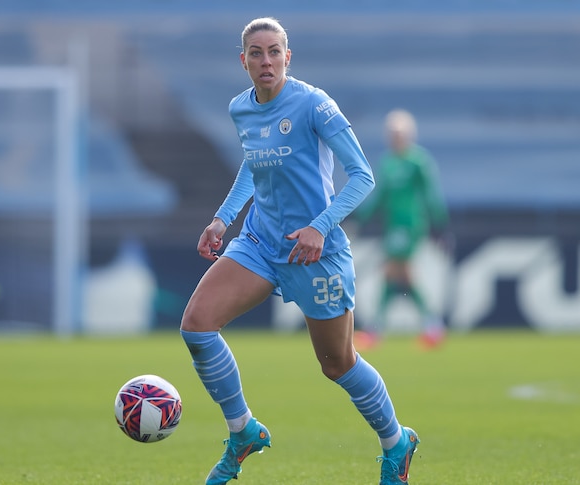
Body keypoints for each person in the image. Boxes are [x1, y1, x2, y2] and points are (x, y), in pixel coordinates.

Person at [179, 17, 419, 485]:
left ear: (288, 58)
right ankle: (242, 430)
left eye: (274, 52)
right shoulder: (240, 109)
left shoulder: (314, 105)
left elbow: (363, 176)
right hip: (261, 241)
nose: (265, 61)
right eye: (256, 53)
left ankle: (396, 442)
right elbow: (253, 164)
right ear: (243, 60)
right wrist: (222, 219)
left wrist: (319, 226)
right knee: (197, 325)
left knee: (337, 363)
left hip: (315, 252)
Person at [353, 109, 450, 350]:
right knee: (396, 274)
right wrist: (362, 217)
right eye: (392, 133)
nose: (396, 137)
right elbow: (380, 196)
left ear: (409, 134)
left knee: (396, 271)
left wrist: (439, 223)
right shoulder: (387, 163)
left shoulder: (418, 161)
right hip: (392, 225)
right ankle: (431, 327)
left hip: (410, 225)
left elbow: (431, 194)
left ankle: (377, 329)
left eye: (400, 132)